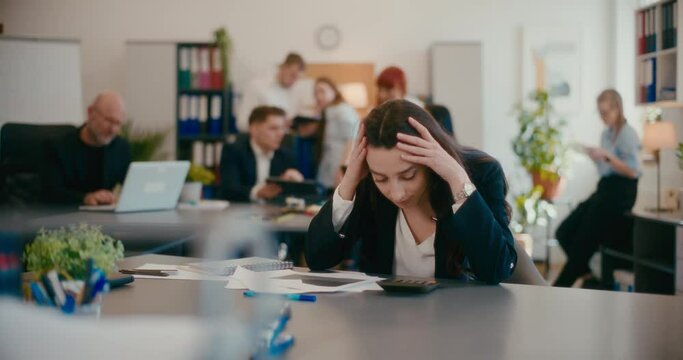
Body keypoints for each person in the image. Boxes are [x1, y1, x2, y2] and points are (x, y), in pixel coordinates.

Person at [306, 100, 517, 284]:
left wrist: (457, 179)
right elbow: (317, 258)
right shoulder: (367, 181)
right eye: (382, 179)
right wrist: (349, 181)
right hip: (382, 320)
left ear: (429, 162)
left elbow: (497, 270)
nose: (396, 193)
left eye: (408, 176)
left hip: (458, 320)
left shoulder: (482, 173)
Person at [554, 89, 640, 287]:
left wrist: (607, 156)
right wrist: (596, 157)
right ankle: (591, 278)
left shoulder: (628, 134)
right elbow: (605, 170)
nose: (603, 117)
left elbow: (633, 171)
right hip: (605, 189)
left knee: (584, 241)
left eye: (606, 112)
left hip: (622, 193)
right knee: (564, 232)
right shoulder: (606, 134)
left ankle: (559, 287)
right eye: (600, 113)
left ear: (617, 109)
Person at [42, 91, 131, 206]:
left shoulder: (121, 148)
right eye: (108, 120)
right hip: (67, 217)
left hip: (106, 219)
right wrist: (85, 198)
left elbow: (130, 185)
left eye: (118, 123)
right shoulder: (57, 148)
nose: (113, 130)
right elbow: (49, 194)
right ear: (90, 113)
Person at [220, 106, 304, 202]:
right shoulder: (234, 151)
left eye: (282, 128)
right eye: (273, 128)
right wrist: (257, 192)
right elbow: (229, 190)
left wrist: (296, 184)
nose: (281, 133)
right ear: (254, 129)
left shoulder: (286, 155)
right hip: (239, 212)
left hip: (274, 213)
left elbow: (293, 197)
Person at [237, 53, 309, 132]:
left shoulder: (294, 94)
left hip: (285, 139)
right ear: (284, 67)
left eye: (297, 78)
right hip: (259, 140)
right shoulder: (257, 87)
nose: (294, 81)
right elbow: (242, 123)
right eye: (292, 75)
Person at [313, 77, 360, 192]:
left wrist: (342, 169)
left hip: (338, 167)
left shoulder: (343, 111)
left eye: (322, 91)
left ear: (334, 91)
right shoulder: (329, 111)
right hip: (328, 168)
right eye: (316, 93)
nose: (318, 96)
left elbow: (352, 139)